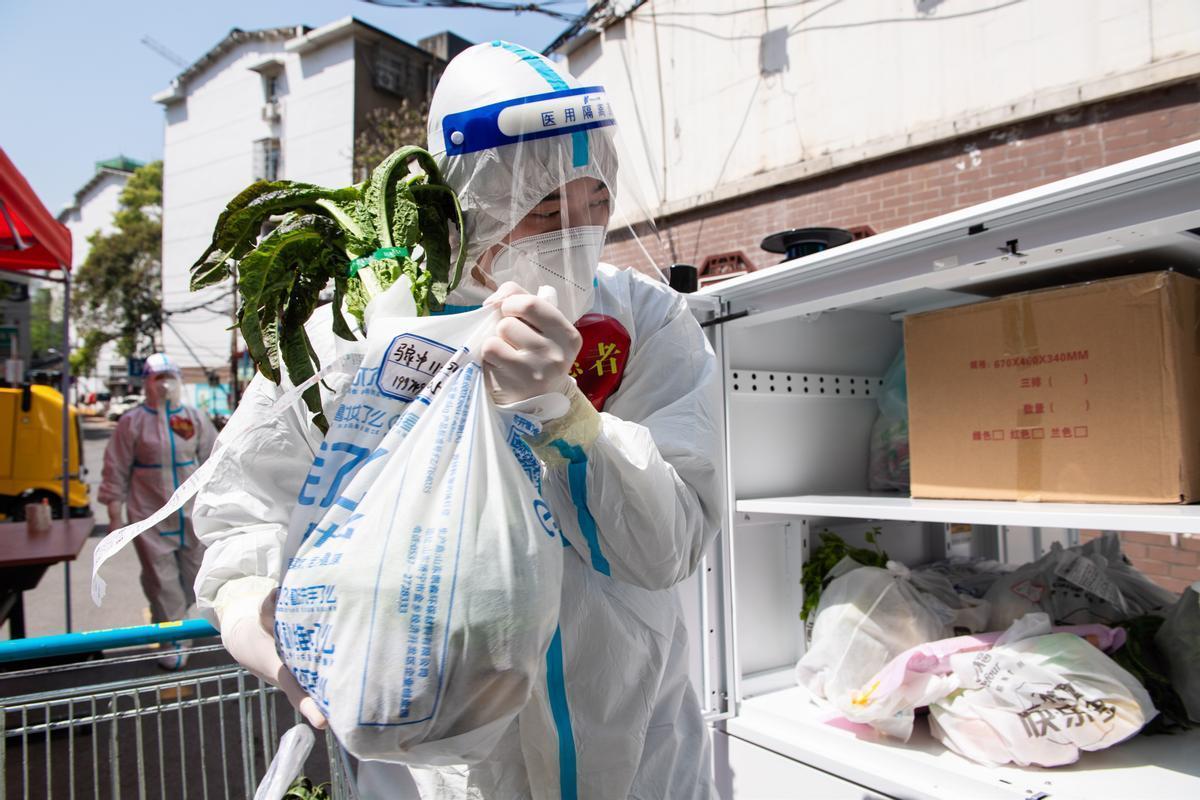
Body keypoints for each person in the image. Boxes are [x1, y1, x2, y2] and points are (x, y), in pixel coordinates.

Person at [194, 40, 724, 798]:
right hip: (439, 762)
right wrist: (262, 632)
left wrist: (565, 417)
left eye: (596, 202)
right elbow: (242, 516)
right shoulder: (367, 332)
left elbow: (667, 544)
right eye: (544, 208)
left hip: (636, 746)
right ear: (472, 199)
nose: (576, 233)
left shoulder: (642, 320)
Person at [98, 352, 217, 669]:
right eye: (157, 378)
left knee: (196, 574)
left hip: (191, 514)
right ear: (147, 383)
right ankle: (173, 638)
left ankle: (180, 617)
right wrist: (114, 516)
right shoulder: (132, 423)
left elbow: (214, 461)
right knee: (162, 580)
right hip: (149, 515)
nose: (165, 384)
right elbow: (115, 470)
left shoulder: (194, 418)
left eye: (170, 377)